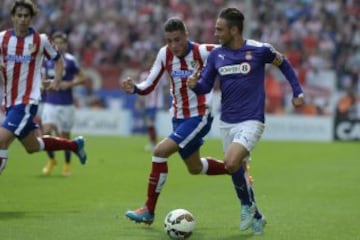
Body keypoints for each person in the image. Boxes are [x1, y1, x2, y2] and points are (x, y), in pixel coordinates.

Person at [187, 7, 305, 235]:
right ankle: (257, 215)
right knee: (236, 169)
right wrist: (195, 86)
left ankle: (245, 205)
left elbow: (284, 63)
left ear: (234, 29)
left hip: (252, 120)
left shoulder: (259, 50)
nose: (216, 33)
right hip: (227, 122)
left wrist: (297, 93)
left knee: (230, 163)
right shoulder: (216, 56)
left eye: (220, 29)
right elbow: (205, 86)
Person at [121, 17, 229, 225]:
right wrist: (135, 88)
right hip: (178, 117)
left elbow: (233, 52)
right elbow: (149, 84)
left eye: (177, 40)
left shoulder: (205, 51)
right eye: (169, 40)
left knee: (160, 152)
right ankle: (234, 167)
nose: (173, 45)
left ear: (186, 36)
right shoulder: (165, 54)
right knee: (195, 167)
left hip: (200, 115)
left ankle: (149, 210)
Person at [0, 0, 87, 176]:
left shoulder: (41, 40)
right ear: (13, 17)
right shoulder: (2, 38)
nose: (23, 19)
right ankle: (74, 145)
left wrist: (56, 81)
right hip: (9, 101)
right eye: (19, 15)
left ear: (31, 18)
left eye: (26, 16)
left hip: (26, 101)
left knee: (1, 141)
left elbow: (58, 59)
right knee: (33, 146)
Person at [41, 31, 86, 176]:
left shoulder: (71, 60)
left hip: (66, 103)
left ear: (66, 45)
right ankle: (52, 161)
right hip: (50, 101)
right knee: (46, 132)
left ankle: (67, 164)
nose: (59, 45)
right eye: (56, 42)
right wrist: (45, 85)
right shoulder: (47, 60)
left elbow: (83, 78)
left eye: (61, 43)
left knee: (65, 136)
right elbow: (43, 81)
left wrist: (69, 84)